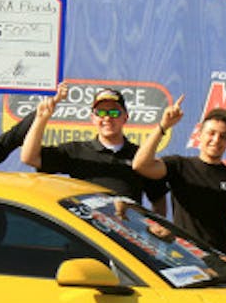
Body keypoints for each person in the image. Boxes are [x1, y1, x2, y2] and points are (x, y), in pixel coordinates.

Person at [21, 85, 168, 213]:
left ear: (125, 117)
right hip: (86, 233)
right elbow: (30, 158)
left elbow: (158, 199)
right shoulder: (76, 151)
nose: (107, 118)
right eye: (101, 113)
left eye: (114, 113)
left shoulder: (140, 157)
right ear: (92, 118)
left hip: (126, 232)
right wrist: (41, 118)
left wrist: (154, 229)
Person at [131, 97, 226, 254]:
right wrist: (163, 126)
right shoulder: (179, 165)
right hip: (182, 255)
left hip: (219, 259)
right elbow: (140, 165)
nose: (216, 140)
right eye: (211, 133)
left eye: (223, 136)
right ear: (199, 135)